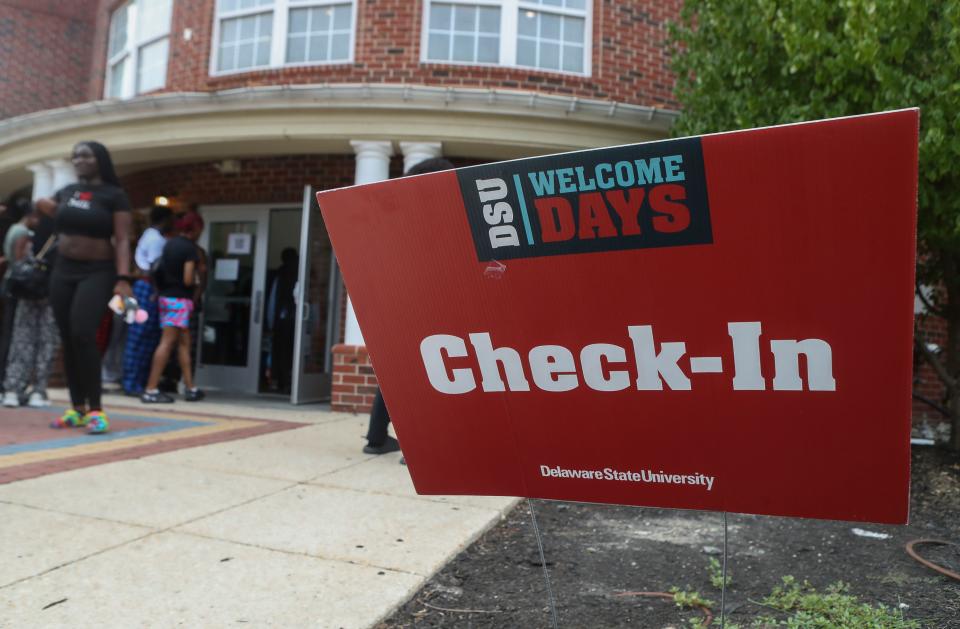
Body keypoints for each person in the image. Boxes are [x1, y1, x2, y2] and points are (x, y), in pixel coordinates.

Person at [36, 141, 133, 434]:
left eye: (85, 155)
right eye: (75, 155)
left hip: (97, 272)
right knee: (68, 338)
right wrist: (42, 206)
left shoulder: (114, 195)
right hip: (63, 270)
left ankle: (96, 410)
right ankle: (76, 408)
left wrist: (123, 279)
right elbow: (51, 216)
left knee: (83, 333)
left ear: (100, 160)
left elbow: (123, 239)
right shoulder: (67, 192)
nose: (78, 160)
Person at [362, 157, 455, 458]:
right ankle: (421, 444)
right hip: (432, 307)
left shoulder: (393, 219)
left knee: (396, 372)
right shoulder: (444, 218)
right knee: (435, 372)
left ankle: (376, 439)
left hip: (396, 308)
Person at [141, 212, 205, 403]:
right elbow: (187, 278)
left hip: (166, 297)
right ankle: (151, 389)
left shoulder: (169, 244)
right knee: (168, 342)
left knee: (184, 342)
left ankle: (190, 387)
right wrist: (196, 279)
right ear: (194, 228)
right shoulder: (190, 249)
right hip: (179, 299)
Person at [1, 204, 57, 407]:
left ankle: (13, 389)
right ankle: (36, 390)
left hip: (27, 289)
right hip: (46, 290)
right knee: (44, 341)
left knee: (22, 339)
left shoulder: (30, 229)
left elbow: (18, 259)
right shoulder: (54, 232)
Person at [121, 205, 173, 395]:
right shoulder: (156, 239)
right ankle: (133, 383)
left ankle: (134, 381)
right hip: (146, 289)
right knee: (141, 336)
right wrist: (158, 292)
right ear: (165, 220)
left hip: (139, 287)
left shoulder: (147, 234)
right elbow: (155, 268)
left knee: (138, 335)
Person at [267, 247, 299, 393]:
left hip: (282, 320)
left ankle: (279, 381)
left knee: (280, 351)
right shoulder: (301, 273)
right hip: (295, 320)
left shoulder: (280, 274)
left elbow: (273, 301)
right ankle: (288, 382)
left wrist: (270, 322)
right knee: (292, 352)